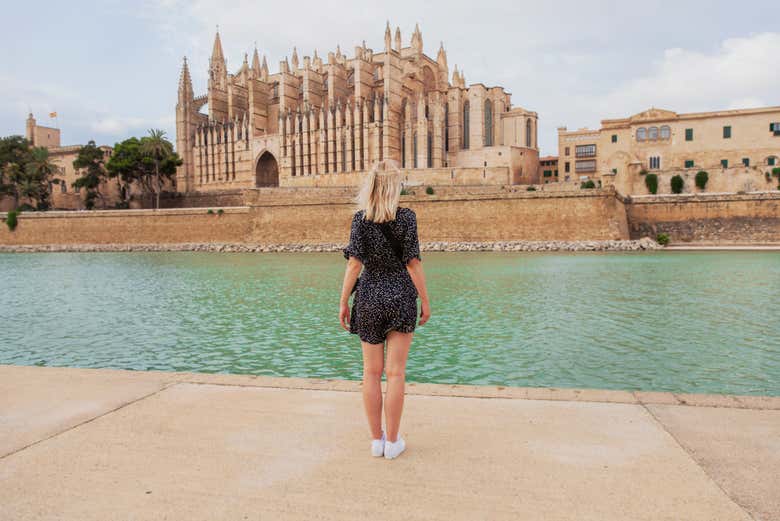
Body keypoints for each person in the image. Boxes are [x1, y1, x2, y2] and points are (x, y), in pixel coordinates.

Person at [339, 159, 431, 460]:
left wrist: (343, 301)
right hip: (401, 296)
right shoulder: (407, 218)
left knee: (370, 373)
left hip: (368, 297)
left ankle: (376, 440)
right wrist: (425, 300)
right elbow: (413, 263)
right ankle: (393, 442)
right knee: (395, 374)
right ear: (395, 187)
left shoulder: (359, 220)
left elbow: (354, 264)